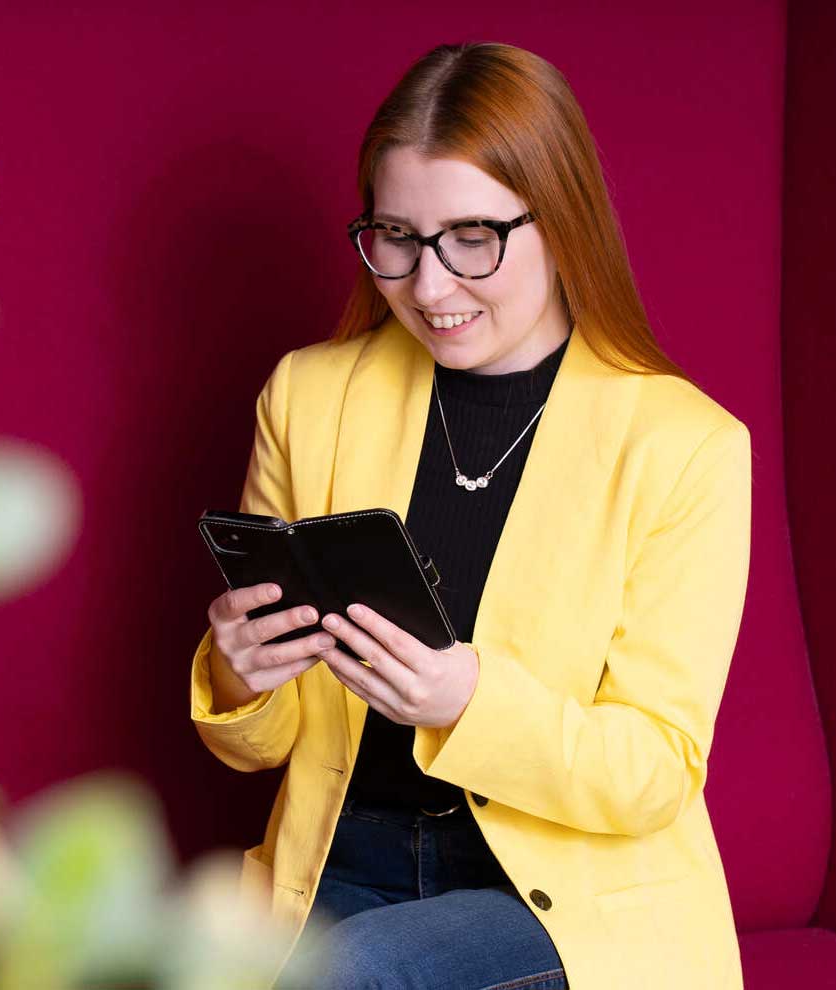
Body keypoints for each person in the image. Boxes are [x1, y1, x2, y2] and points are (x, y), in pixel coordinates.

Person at [188, 41, 752, 990]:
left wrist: (467, 704)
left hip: (555, 892)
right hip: (336, 858)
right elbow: (266, 745)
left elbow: (653, 768)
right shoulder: (308, 394)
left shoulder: (683, 443)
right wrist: (241, 677)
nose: (429, 286)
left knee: (346, 975)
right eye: (397, 238)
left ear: (562, 224)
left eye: (472, 240)